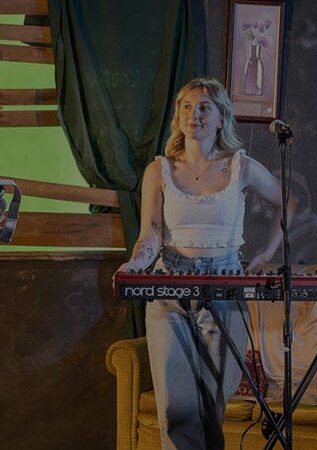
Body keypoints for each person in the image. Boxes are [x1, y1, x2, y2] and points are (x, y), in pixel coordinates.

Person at [117, 78, 288, 450]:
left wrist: (266, 254)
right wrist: (134, 264)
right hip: (169, 288)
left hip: (225, 285)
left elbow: (285, 200)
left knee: (212, 405)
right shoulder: (159, 171)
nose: (194, 115)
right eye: (186, 107)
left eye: (204, 107)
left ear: (221, 117)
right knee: (176, 410)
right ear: (177, 117)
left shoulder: (239, 167)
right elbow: (151, 234)